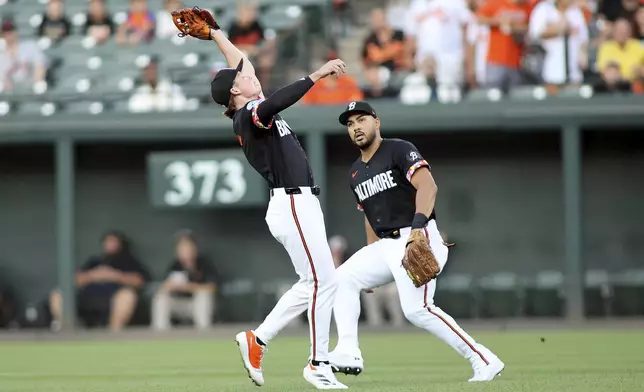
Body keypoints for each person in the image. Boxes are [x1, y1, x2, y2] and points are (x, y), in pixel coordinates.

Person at [198, 10, 349, 390]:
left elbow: (240, 62)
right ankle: (318, 363)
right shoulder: (246, 115)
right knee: (323, 283)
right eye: (245, 79)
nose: (251, 74)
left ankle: (257, 339)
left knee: (314, 282)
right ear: (235, 91)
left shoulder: (245, 100)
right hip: (292, 202)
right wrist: (316, 74)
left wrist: (217, 33)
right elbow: (271, 103)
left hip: (297, 203)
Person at [329, 101, 504, 382]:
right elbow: (370, 216)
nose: (356, 128)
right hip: (385, 245)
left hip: (417, 235)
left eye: (361, 120)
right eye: (350, 124)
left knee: (417, 310)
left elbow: (428, 185)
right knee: (341, 280)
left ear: (377, 122)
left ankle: (484, 359)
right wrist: (371, 264)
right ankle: (348, 350)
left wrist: (418, 228)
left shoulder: (398, 149)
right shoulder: (355, 172)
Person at [48, 231, 150, 331]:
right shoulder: (95, 261)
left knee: (127, 295)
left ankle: (114, 333)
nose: (110, 244)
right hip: (87, 298)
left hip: (113, 299)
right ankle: (69, 330)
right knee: (58, 293)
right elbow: (76, 280)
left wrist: (115, 275)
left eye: (114, 241)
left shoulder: (128, 261)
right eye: (108, 242)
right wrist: (94, 275)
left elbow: (139, 281)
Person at [151, 230, 218, 330]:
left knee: (203, 295)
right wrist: (169, 286)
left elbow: (212, 287)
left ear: (194, 249)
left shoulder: (204, 264)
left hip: (198, 305)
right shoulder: (174, 266)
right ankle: (160, 333)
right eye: (181, 248)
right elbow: (164, 287)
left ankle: (204, 332)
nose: (184, 251)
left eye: (188, 247)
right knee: (161, 297)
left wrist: (189, 287)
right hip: (179, 304)